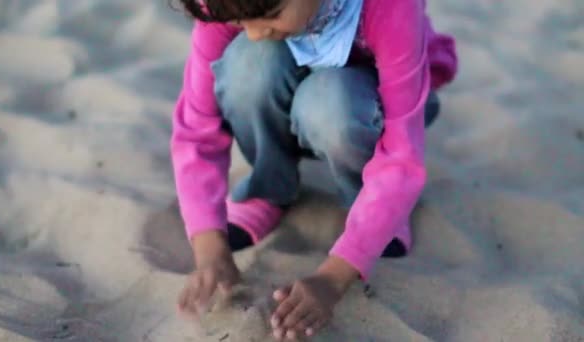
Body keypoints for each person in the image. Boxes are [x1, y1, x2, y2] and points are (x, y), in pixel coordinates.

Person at [171, 0, 458, 340]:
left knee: (328, 102)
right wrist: (209, 247)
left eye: (270, 16)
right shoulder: (229, 1)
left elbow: (401, 156)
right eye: (240, 21)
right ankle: (269, 186)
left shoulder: (391, 7)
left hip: (364, 105)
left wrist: (333, 278)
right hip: (292, 77)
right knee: (248, 61)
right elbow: (196, 131)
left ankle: (368, 205)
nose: (253, 31)